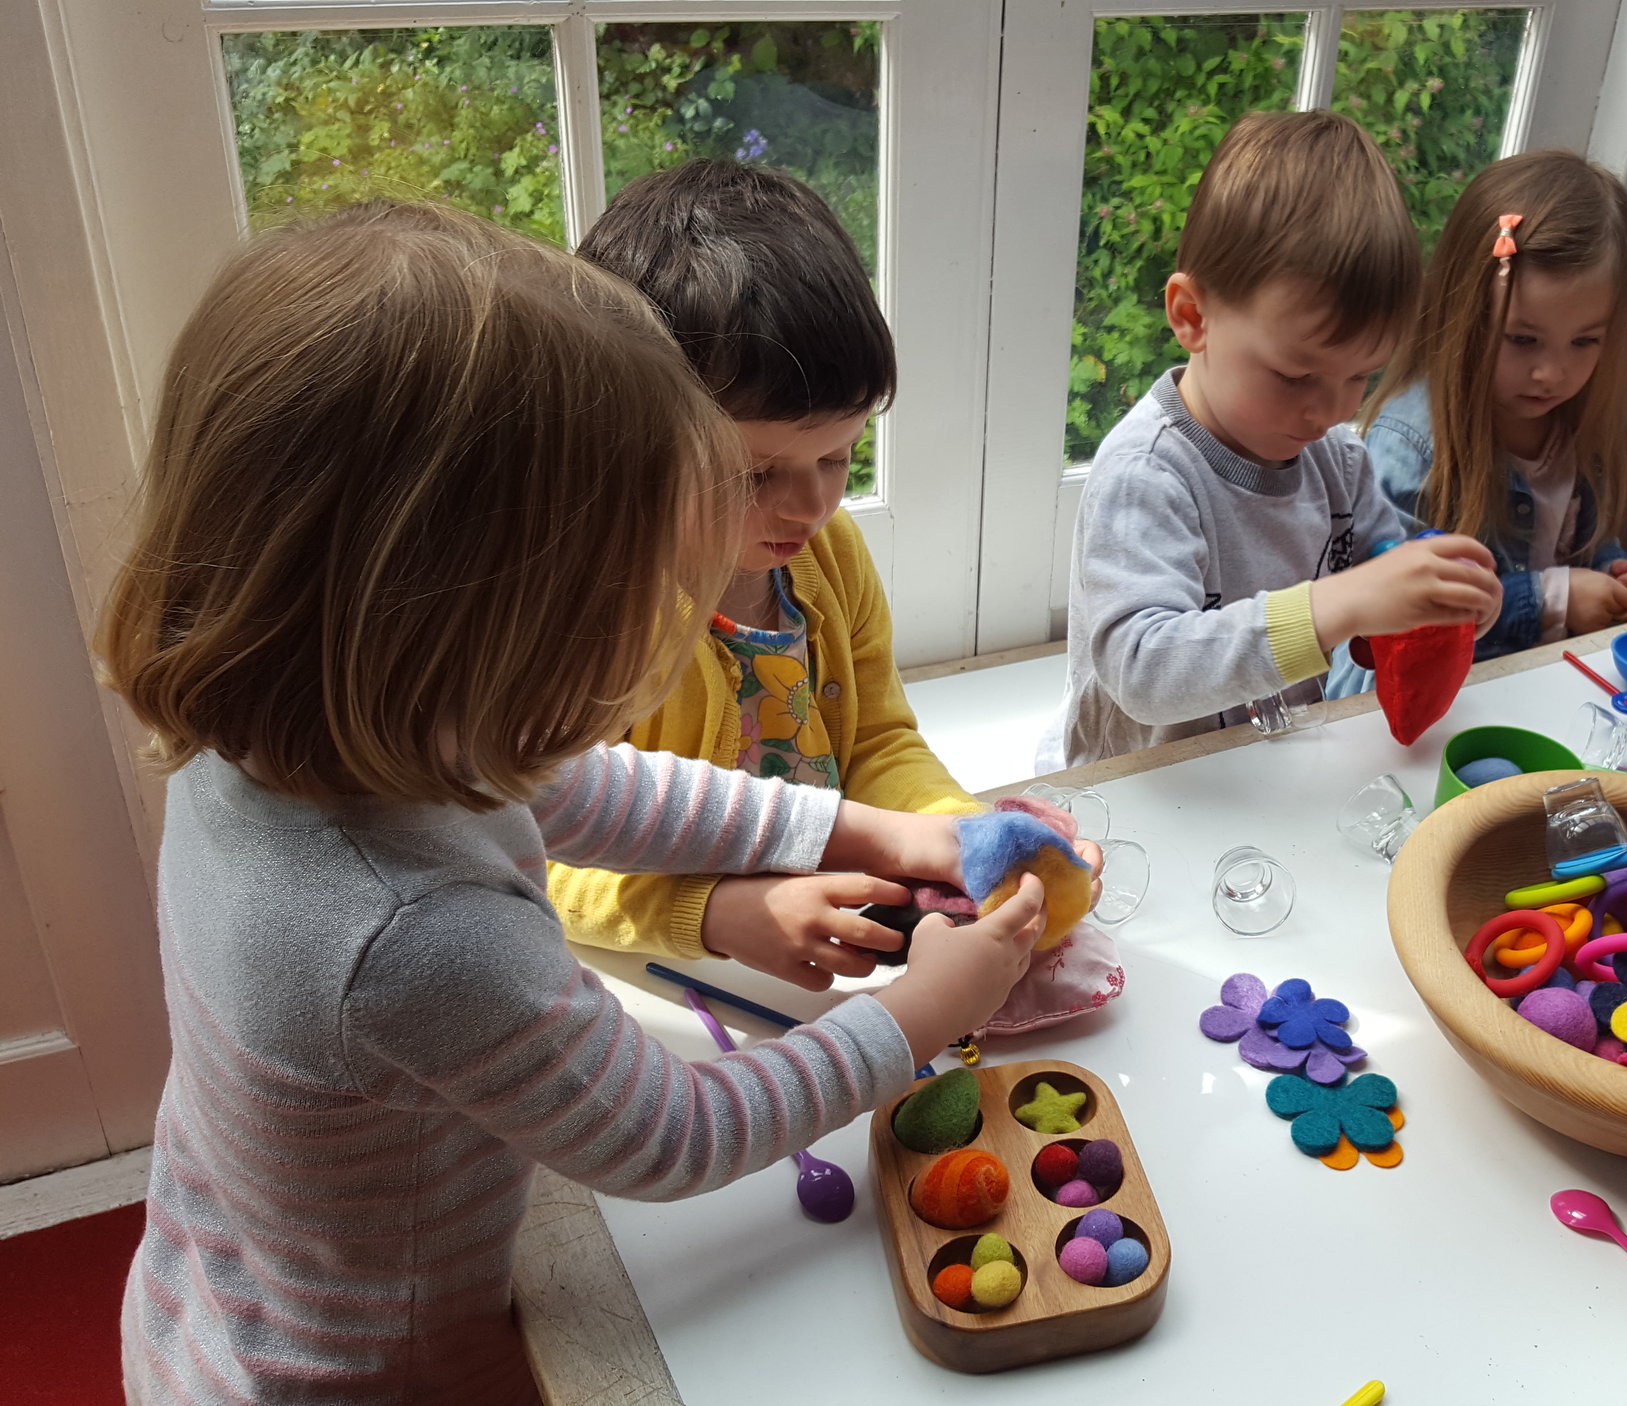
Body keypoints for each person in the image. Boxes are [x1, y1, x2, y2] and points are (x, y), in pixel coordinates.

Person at [99, 202, 1047, 1402]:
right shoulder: (410, 934)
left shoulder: (288, 728)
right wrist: (916, 1013)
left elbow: (583, 783)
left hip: (212, 1275)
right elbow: (669, 1133)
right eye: (617, 587)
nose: (647, 614)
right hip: (365, 1374)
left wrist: (865, 826)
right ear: (458, 613)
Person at [565, 159, 1043, 990]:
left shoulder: (830, 557)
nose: (811, 505)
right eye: (755, 476)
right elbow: (529, 851)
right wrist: (714, 911)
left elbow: (879, 742)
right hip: (661, 983)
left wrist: (959, 834)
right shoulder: (587, 608)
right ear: (624, 436)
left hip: (828, 963)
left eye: (839, 455)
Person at [1053, 110, 1502, 768]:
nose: (1329, 409)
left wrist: (1436, 611)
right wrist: (1334, 604)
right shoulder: (1148, 475)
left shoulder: (1336, 460)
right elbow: (1142, 673)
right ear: (1192, 316)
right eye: (1296, 375)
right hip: (1143, 786)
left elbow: (1375, 602)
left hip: (1270, 754)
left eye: (1361, 376)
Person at [1340, 149, 1627, 688]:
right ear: (1463, 316)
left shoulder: (1579, 427)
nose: (1551, 373)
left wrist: (1609, 571)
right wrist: (1554, 599)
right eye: (1523, 339)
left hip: (1542, 687)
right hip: (1434, 710)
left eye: (1585, 341)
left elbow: (1580, 543)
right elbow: (1389, 626)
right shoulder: (1412, 447)